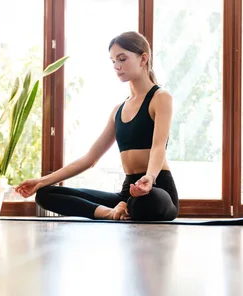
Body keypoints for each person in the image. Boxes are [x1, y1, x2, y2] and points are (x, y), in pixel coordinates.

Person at [15, 31, 179, 221]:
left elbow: (159, 147)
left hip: (156, 188)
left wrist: (149, 178)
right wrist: (41, 181)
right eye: (113, 61)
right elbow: (89, 159)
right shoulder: (118, 110)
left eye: (122, 59)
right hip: (127, 192)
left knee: (145, 202)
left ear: (143, 59)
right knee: (45, 194)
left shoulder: (160, 98)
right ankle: (111, 212)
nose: (117, 66)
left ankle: (127, 207)